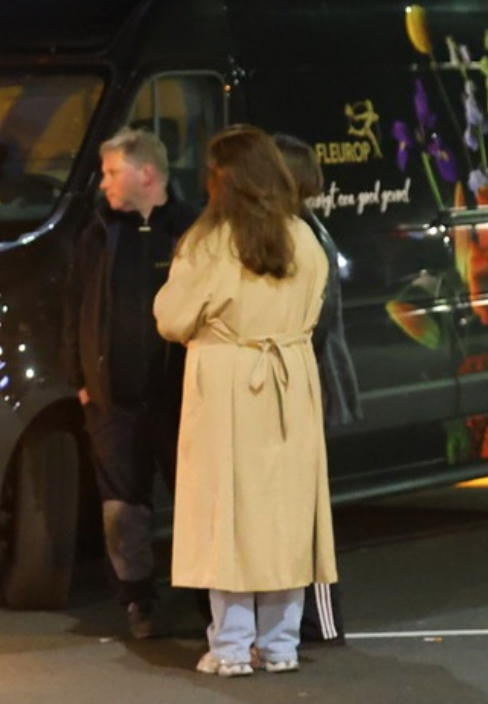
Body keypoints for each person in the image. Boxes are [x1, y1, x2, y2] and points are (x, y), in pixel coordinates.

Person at [153, 125, 337, 676]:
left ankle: (232, 646)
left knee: (225, 512)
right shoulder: (303, 238)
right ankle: (280, 644)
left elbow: (171, 316)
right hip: (292, 382)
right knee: (285, 512)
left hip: (230, 381)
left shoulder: (210, 241)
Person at [61, 126, 198, 639]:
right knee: (122, 510)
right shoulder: (98, 230)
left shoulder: (191, 230)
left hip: (180, 399)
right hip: (113, 402)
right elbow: (74, 306)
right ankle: (138, 601)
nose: (103, 183)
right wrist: (81, 380)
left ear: (147, 173)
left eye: (112, 171)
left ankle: (208, 600)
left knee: (194, 500)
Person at [272, 133, 361, 429]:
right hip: (314, 371)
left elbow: (318, 317)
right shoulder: (304, 226)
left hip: (312, 374)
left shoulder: (302, 235)